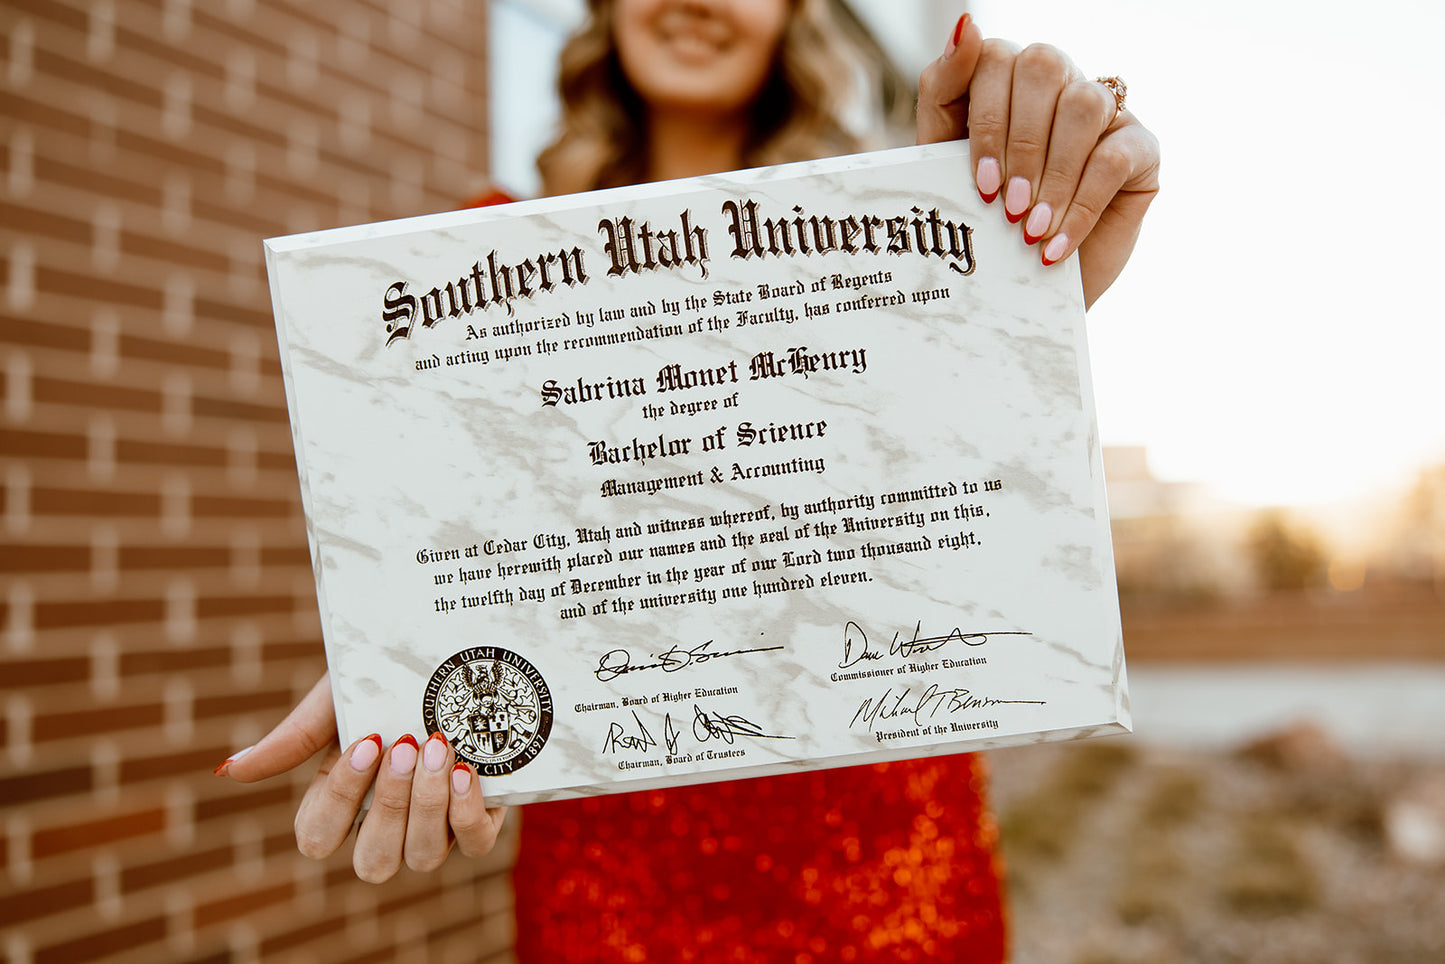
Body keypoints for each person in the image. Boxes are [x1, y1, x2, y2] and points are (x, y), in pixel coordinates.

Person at [218, 1, 1159, 959]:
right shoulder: (477, 262)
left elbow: (969, 475)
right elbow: (468, 541)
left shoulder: (900, 232)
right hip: (610, 885)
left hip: (890, 862)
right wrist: (406, 651)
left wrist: (1018, 248)